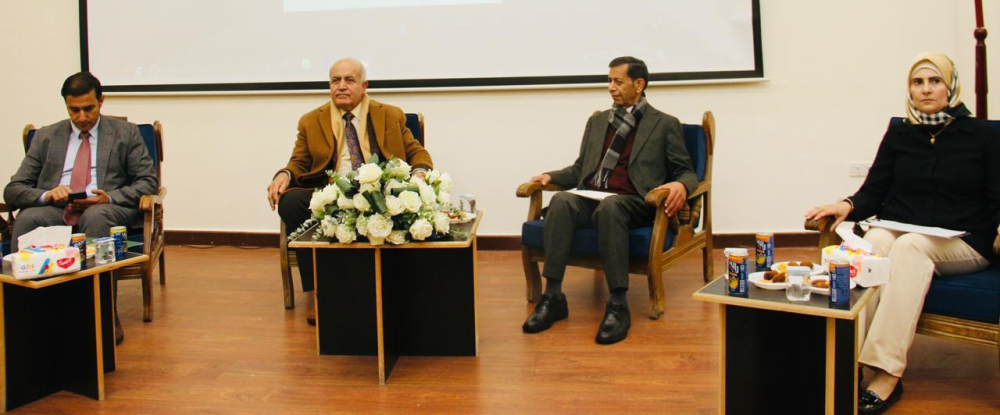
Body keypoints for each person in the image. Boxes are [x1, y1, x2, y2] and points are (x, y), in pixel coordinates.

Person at [805, 52, 999, 414]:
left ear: (951, 87)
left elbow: (998, 196)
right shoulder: (900, 133)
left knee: (909, 248)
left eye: (935, 81)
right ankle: (848, 361)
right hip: (902, 229)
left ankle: (887, 373)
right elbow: (874, 190)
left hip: (966, 240)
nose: (926, 89)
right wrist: (846, 205)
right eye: (917, 82)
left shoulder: (983, 136)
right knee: (876, 242)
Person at [521, 56, 697, 345]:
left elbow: (686, 171)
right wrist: (549, 176)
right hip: (592, 196)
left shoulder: (665, 124)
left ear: (639, 85)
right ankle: (553, 297)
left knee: (611, 206)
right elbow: (580, 169)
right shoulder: (598, 121)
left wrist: (680, 184)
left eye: (618, 81)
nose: (611, 87)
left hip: (634, 201)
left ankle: (617, 304)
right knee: (562, 201)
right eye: (609, 81)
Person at [267, 58, 433, 325]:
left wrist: (420, 173)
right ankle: (323, 292)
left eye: (349, 80)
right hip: (332, 192)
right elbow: (298, 162)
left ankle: (394, 291)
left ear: (364, 86)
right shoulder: (311, 121)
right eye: (336, 80)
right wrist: (283, 174)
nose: (341, 86)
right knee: (291, 201)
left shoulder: (390, 115)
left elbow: (417, 153)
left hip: (379, 191)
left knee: (405, 201)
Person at [4, 71, 159, 345]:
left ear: (101, 101)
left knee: (97, 217)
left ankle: (102, 314)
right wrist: (47, 195)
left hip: (106, 207)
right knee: (28, 219)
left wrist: (108, 197)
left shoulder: (125, 133)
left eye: (88, 108)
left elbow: (148, 182)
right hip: (59, 208)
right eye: (73, 110)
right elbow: (13, 189)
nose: (82, 117)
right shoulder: (47, 136)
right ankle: (29, 316)